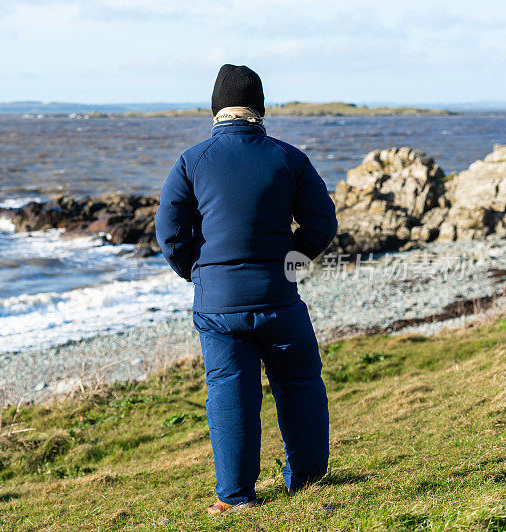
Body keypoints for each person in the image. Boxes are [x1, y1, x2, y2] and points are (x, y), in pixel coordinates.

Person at [154, 64, 338, 515]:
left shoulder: (191, 160)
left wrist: (199, 274)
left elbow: (169, 232)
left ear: (215, 109)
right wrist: (291, 265)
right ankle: (308, 481)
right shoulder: (289, 157)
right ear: (260, 108)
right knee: (299, 383)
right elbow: (322, 224)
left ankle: (236, 499)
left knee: (230, 391)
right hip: (279, 295)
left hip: (219, 305)